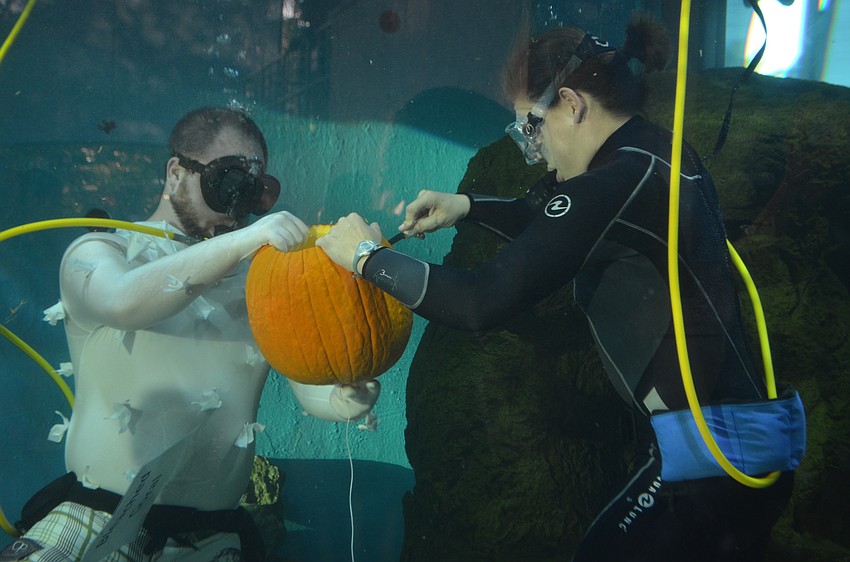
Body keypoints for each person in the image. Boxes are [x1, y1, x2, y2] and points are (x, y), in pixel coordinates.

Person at [316, 17, 805, 562]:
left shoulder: (615, 181)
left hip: (708, 458)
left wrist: (367, 258)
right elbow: (551, 219)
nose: (536, 152)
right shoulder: (649, 153)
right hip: (745, 444)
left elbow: (481, 302)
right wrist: (469, 207)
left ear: (571, 105)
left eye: (531, 128)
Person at [2, 106, 380, 562]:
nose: (237, 204)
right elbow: (124, 300)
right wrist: (243, 242)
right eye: (226, 180)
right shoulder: (100, 251)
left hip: (211, 536)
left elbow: (309, 388)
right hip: (96, 517)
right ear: (176, 172)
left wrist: (346, 398)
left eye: (253, 191)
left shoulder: (259, 285)